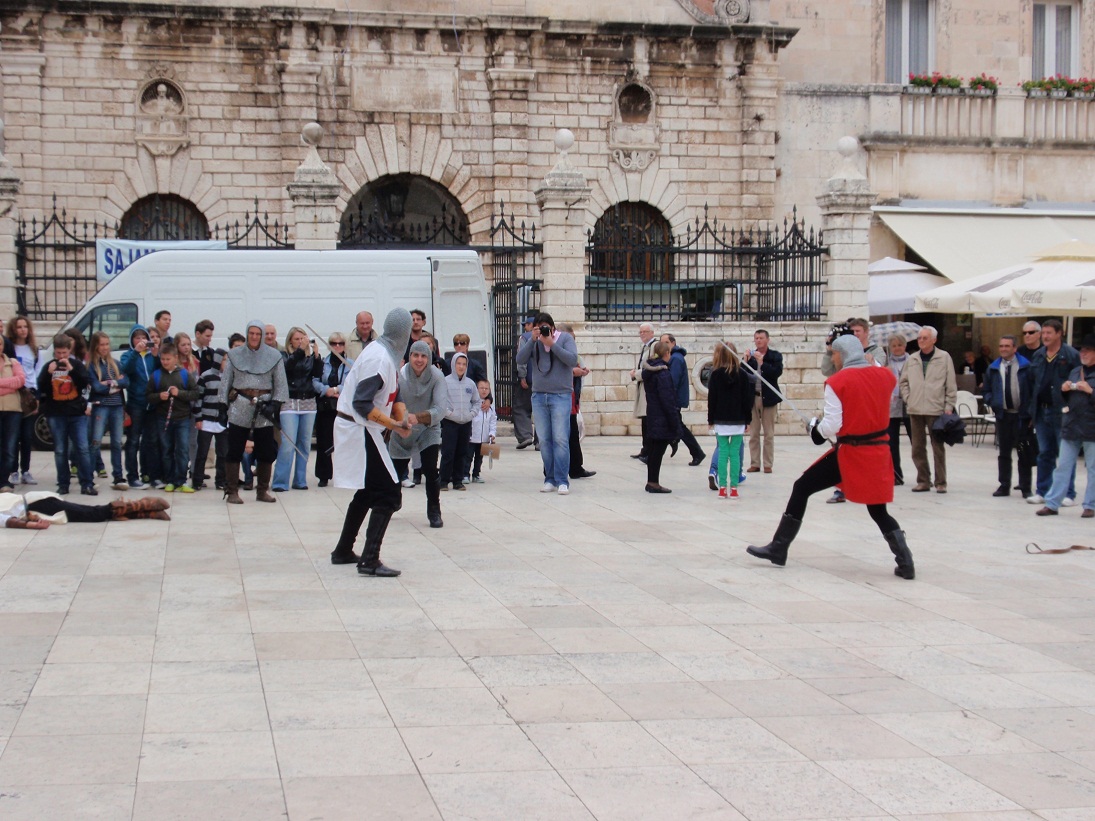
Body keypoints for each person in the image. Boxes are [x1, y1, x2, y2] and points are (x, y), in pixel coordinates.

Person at [747, 335, 915, 580]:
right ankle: (906, 562)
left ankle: (779, 547)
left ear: (843, 354)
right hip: (878, 451)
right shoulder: (886, 376)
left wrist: (815, 429)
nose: (832, 358)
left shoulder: (837, 382)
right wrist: (873, 364)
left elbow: (833, 425)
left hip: (852, 452)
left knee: (802, 487)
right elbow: (877, 372)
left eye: (833, 354)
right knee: (878, 510)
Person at [331, 308, 413, 575]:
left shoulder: (388, 356)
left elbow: (395, 395)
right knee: (389, 492)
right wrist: (394, 425)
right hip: (358, 428)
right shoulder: (378, 358)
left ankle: (343, 550)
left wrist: (402, 417)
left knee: (367, 491)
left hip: (366, 428)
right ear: (404, 332)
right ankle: (369, 559)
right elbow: (362, 403)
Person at [219, 320, 289, 504]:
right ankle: (232, 490)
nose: (255, 337)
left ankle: (262, 491)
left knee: (266, 451)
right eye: (252, 333)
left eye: (258, 334)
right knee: (234, 449)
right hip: (240, 404)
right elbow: (226, 381)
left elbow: (280, 383)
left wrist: (275, 405)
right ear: (247, 333)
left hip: (264, 407)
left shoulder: (274, 356)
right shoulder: (234, 355)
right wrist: (222, 405)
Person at [516, 313, 578, 494]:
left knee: (560, 439)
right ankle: (549, 478)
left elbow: (572, 359)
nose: (544, 331)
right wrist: (532, 340)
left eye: (546, 328)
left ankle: (562, 480)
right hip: (539, 396)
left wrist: (552, 344)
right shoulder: (534, 343)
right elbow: (520, 359)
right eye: (539, 328)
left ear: (553, 328)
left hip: (560, 395)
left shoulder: (564, 339)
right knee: (544, 440)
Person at [389, 339, 447, 528]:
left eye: (424, 356)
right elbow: (390, 402)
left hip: (428, 427)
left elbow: (440, 409)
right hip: (402, 427)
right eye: (415, 355)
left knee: (430, 470)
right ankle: (392, 501)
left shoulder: (437, 377)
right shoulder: (399, 376)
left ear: (429, 358)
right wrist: (399, 419)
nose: (419, 360)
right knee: (395, 471)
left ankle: (434, 510)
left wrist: (419, 417)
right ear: (409, 356)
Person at [1036, 334, 1095, 518]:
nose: (1083, 353)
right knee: (1063, 465)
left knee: (1093, 469)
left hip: (1092, 428)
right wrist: (1065, 390)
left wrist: (1090, 391)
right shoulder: (1076, 371)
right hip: (1071, 425)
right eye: (1082, 350)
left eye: (1087, 350)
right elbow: (1065, 399)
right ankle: (1052, 504)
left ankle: (1090, 505)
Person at [1027, 319, 1080, 506]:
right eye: (1044, 333)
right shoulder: (1039, 355)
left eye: (1049, 333)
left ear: (1059, 333)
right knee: (1044, 452)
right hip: (1041, 411)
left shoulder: (1071, 355)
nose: (1045, 337)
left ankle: (1068, 492)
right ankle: (1042, 490)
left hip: (1063, 411)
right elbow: (1033, 382)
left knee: (1065, 454)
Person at [899, 325, 957, 493]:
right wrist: (908, 398)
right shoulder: (912, 359)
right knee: (917, 447)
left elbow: (951, 384)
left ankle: (941, 482)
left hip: (936, 408)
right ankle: (923, 480)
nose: (921, 341)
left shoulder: (944, 357)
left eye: (925, 338)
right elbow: (903, 381)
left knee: (937, 447)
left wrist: (949, 405)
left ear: (934, 340)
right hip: (915, 408)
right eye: (919, 338)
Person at [37, 334, 95, 496]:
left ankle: (87, 483)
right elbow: (41, 388)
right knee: (60, 450)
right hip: (56, 414)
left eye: (64, 353)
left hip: (76, 413)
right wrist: (48, 374)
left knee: (82, 448)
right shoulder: (49, 366)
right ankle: (63, 483)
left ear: (69, 351)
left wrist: (72, 370)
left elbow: (85, 383)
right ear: (54, 352)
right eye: (58, 353)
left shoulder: (76, 364)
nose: (61, 357)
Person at [982, 335, 1035, 498]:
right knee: (1004, 452)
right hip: (1003, 415)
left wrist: (1032, 412)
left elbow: (1034, 390)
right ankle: (1004, 485)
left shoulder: (1026, 366)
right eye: (1001, 346)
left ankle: (1025, 486)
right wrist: (993, 401)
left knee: (1023, 452)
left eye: (1007, 346)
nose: (1003, 349)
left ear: (1014, 348)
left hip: (1022, 416)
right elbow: (986, 390)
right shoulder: (993, 368)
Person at [273, 327, 322, 492]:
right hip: (290, 402)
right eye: (296, 339)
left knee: (304, 443)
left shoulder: (309, 357)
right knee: (288, 443)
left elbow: (317, 374)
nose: (300, 342)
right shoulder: (284, 356)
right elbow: (287, 369)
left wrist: (317, 357)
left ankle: (300, 480)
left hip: (308, 402)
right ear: (290, 341)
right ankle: (280, 481)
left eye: (303, 338)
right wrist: (300, 351)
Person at [147, 341, 198, 493]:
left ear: (175, 358)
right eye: (162, 359)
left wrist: (180, 394)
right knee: (166, 449)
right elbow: (148, 396)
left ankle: (181, 480)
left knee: (182, 450)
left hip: (183, 419)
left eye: (168, 359)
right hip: (163, 419)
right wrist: (158, 397)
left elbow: (195, 393)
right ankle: (170, 480)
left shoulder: (184, 374)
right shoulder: (156, 375)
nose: (165, 362)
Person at [707, 341, 752, 499]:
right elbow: (747, 400)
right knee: (735, 454)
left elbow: (712, 399)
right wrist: (748, 420)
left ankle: (722, 488)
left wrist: (710, 419)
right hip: (738, 418)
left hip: (721, 418)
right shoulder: (743, 375)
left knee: (723, 451)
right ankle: (733, 488)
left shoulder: (715, 375)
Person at [87, 331, 129, 491]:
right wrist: (114, 385)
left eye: (107, 344)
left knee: (117, 442)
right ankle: (89, 476)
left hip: (117, 406)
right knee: (96, 441)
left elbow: (125, 381)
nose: (105, 347)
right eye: (101, 344)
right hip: (101, 406)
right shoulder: (91, 366)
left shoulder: (116, 364)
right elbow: (96, 387)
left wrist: (109, 384)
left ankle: (118, 477)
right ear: (96, 346)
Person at [121, 325, 161, 489]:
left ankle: (153, 476)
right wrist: (136, 352)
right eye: (137, 338)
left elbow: (160, 371)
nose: (140, 341)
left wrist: (156, 355)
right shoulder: (128, 355)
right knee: (133, 442)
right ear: (132, 340)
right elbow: (125, 370)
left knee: (152, 442)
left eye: (143, 338)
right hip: (136, 404)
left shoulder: (152, 356)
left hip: (152, 405)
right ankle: (132, 477)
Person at [641, 340, 682, 494]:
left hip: (653, 414)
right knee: (658, 451)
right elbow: (667, 398)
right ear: (667, 354)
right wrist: (675, 421)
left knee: (653, 451)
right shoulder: (663, 373)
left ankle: (651, 481)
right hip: (662, 417)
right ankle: (653, 482)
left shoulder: (650, 371)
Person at [0, 490, 171, 527]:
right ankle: (143, 512)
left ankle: (142, 505)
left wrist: (30, 525)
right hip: (33, 509)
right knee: (91, 514)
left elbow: (6, 520)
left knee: (92, 513)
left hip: (36, 504)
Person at [314, 333, 352, 488]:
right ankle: (323, 475)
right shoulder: (323, 363)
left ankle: (346, 474)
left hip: (343, 407)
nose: (337, 346)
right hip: (326, 406)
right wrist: (326, 390)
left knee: (345, 442)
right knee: (324, 441)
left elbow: (352, 382)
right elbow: (315, 381)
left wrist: (337, 389)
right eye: (334, 343)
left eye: (340, 343)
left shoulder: (350, 363)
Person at [661, 333, 706, 467]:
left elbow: (672, 381)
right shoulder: (674, 357)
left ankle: (696, 452)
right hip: (673, 399)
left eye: (667, 342)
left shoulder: (675, 359)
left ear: (673, 343)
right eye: (662, 343)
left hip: (673, 400)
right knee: (673, 426)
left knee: (679, 427)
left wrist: (668, 399)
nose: (664, 345)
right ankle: (673, 443)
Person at [559, 323, 594, 481]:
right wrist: (575, 371)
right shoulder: (556, 350)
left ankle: (575, 467)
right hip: (561, 401)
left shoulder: (571, 352)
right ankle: (563, 468)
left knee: (572, 435)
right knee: (561, 437)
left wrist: (582, 371)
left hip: (572, 400)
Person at [438, 352, 478, 492]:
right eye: (458, 363)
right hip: (450, 423)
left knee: (462, 452)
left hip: (465, 423)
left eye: (464, 364)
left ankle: (458, 481)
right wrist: (450, 414)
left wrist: (471, 414)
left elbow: (476, 402)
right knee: (448, 452)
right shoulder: (445, 381)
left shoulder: (470, 383)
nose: (461, 367)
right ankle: (443, 481)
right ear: (453, 364)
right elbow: (440, 401)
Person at [8, 316, 40, 485]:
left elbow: (36, 372)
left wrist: (37, 397)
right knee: (13, 435)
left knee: (27, 436)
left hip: (30, 393)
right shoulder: (10, 348)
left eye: (25, 327)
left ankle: (25, 470)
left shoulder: (33, 349)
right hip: (15, 392)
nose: (22, 330)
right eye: (19, 327)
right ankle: (12, 470)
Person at [745, 329, 783, 473]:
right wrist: (745, 360)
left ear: (767, 340)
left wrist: (763, 363)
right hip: (753, 397)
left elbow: (776, 373)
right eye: (756, 338)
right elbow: (743, 373)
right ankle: (755, 463)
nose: (758, 340)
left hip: (768, 398)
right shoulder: (752, 357)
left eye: (761, 338)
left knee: (769, 433)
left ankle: (768, 464)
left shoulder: (775, 356)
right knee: (753, 432)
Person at [191, 349, 229, 491]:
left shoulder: (229, 377)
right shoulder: (206, 376)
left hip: (222, 421)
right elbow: (198, 398)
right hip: (206, 420)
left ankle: (221, 480)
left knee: (223, 453)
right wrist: (198, 417)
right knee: (202, 453)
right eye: (224, 360)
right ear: (218, 360)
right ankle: (197, 480)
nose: (226, 363)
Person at [883, 334, 911, 486]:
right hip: (892, 405)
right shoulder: (886, 363)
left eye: (899, 345)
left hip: (910, 403)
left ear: (904, 346)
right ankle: (896, 475)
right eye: (894, 346)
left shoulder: (912, 361)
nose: (897, 348)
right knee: (892, 442)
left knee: (916, 441)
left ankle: (924, 475)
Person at [629, 322, 657, 462]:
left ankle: (649, 451)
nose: (642, 334)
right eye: (640, 332)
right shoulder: (646, 347)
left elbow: (651, 367)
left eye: (645, 332)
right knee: (644, 421)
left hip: (649, 388)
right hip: (643, 386)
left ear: (652, 332)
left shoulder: (654, 347)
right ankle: (645, 449)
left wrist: (636, 374)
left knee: (648, 420)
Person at [0, 346, 27, 493]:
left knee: (10, 447)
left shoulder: (13, 363)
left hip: (13, 410)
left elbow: (21, 380)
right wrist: (10, 385)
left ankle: (4, 480)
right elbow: (15, 383)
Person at [513, 315, 536, 449]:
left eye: (526, 325)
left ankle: (525, 436)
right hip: (541, 381)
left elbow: (521, 358)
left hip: (528, 379)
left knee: (521, 408)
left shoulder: (524, 338)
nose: (524, 328)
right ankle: (540, 441)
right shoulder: (545, 337)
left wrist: (522, 377)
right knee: (540, 411)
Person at [468, 379, 497, 483]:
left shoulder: (491, 408)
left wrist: (492, 433)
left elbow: (493, 421)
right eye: (481, 388)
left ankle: (476, 474)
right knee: (468, 457)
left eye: (486, 388)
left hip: (484, 438)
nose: (484, 390)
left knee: (479, 458)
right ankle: (465, 474)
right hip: (472, 437)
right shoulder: (472, 404)